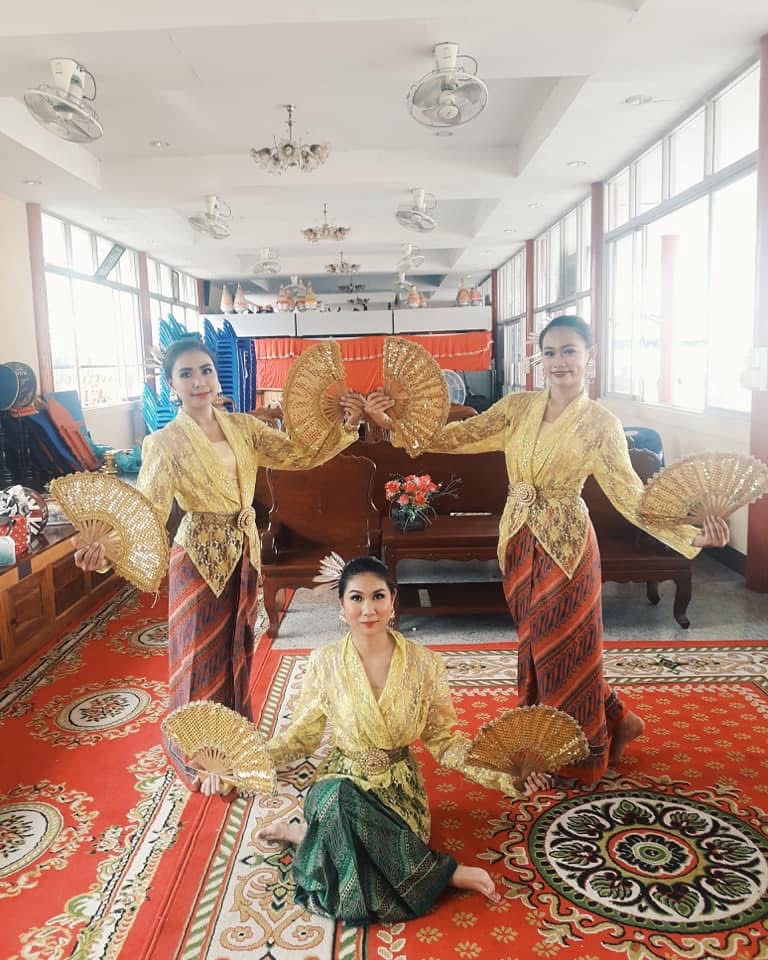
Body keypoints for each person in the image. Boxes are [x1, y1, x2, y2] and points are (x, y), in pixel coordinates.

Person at [364, 317, 729, 789]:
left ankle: (574, 756)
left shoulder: (600, 424)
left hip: (568, 547)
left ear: (589, 356)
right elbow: (454, 437)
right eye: (550, 352)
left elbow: (630, 495)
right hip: (517, 540)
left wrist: (690, 537)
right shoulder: (517, 408)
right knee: (539, 647)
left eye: (569, 350)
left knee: (568, 649)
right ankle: (619, 719)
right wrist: (390, 423)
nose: (559, 362)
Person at [74, 338, 363, 793]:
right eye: (186, 374)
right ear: (171, 385)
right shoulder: (164, 443)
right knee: (197, 654)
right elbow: (148, 510)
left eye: (205, 370)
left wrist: (348, 424)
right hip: (197, 558)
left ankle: (232, 742)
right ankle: (199, 755)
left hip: (243, 551)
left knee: (235, 648)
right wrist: (106, 548)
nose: (199, 381)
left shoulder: (243, 428)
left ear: (216, 375)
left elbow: (299, 454)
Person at [254, 555, 517, 924]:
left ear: (393, 600)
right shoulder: (324, 662)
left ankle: (307, 836)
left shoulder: (425, 664)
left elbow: (445, 740)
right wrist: (243, 763)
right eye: (356, 598)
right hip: (341, 778)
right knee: (334, 796)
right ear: (341, 605)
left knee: (344, 824)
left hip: (397, 790)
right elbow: (301, 736)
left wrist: (506, 772)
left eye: (378, 596)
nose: (368, 610)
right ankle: (446, 873)